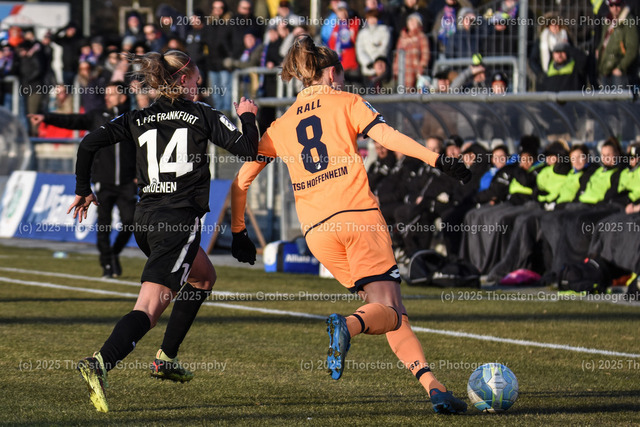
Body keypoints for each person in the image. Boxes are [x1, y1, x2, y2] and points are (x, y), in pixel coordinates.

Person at [229, 35, 470, 415]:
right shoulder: (347, 101)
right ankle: (347, 326)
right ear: (331, 74)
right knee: (388, 307)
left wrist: (238, 231)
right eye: (340, 75)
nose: (343, 81)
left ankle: (434, 387)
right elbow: (387, 136)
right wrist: (437, 160)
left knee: (388, 309)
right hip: (358, 217)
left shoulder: (281, 123)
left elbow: (240, 182)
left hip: (317, 233)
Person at [67, 50, 259, 413]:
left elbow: (89, 142)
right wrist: (248, 116)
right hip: (177, 223)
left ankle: (166, 358)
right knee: (149, 308)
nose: (200, 85)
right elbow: (248, 150)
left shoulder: (138, 116)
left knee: (203, 278)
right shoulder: (201, 114)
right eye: (197, 79)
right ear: (184, 79)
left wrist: (82, 188)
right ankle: (99, 363)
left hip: (146, 219)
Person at [29, 81, 136, 278]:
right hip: (104, 181)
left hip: (128, 181)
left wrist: (140, 174)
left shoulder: (133, 118)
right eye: (106, 93)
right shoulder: (97, 116)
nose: (106, 97)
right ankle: (106, 263)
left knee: (131, 221)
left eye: (111, 94)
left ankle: (114, 253)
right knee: (103, 225)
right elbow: (73, 121)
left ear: (123, 97)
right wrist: (46, 118)